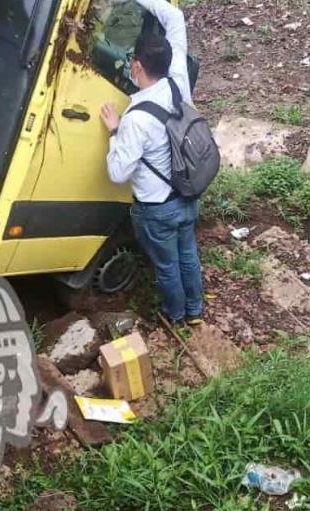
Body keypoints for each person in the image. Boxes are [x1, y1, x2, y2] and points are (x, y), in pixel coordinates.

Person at [99, 0, 203, 325]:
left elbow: (118, 173)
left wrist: (114, 130)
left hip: (157, 209)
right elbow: (173, 16)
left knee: (168, 265)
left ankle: (175, 315)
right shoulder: (178, 81)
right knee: (188, 255)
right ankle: (196, 311)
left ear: (137, 67)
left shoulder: (136, 119)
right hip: (187, 193)